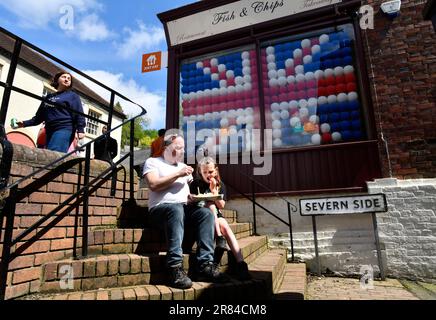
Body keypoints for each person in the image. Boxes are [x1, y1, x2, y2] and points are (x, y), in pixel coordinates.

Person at [142, 133, 227, 289]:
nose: (182, 151)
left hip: (183, 209)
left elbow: (189, 191)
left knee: (205, 213)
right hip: (160, 211)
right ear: (166, 147)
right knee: (175, 209)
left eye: (183, 148)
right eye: (178, 147)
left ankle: (205, 265)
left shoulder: (183, 167)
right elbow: (153, 184)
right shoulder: (152, 162)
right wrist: (177, 174)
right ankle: (174, 267)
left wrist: (195, 196)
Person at [190, 156, 251, 281]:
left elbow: (222, 205)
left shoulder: (219, 184)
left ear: (216, 171)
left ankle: (240, 264)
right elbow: (193, 201)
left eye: (210, 172)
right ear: (200, 172)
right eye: (204, 172)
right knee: (210, 205)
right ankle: (219, 238)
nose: (208, 175)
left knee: (224, 225)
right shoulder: (195, 183)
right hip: (201, 216)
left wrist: (213, 192)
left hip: (216, 216)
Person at [16, 71, 86, 153]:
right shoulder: (48, 97)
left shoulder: (72, 96)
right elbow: (39, 117)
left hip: (64, 128)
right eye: (64, 77)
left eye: (69, 79)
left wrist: (80, 129)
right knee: (49, 154)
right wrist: (24, 123)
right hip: (49, 130)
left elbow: (79, 113)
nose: (66, 79)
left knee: (53, 153)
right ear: (57, 79)